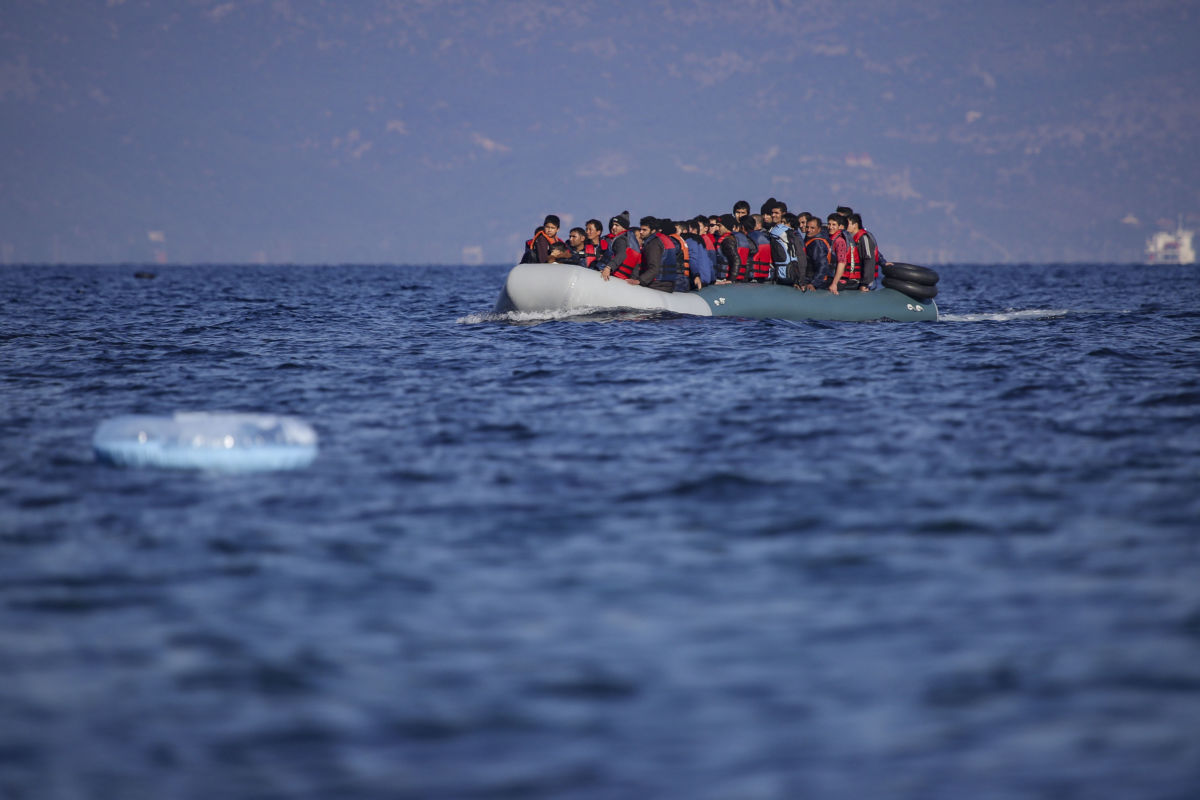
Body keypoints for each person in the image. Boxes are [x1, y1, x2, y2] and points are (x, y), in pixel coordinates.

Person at [627, 216, 677, 292]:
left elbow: (654, 268)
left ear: (653, 231)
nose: (641, 232)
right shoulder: (662, 239)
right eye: (641, 229)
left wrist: (639, 281)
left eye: (644, 230)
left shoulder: (653, 243)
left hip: (657, 284)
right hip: (668, 283)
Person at [845, 213, 885, 290]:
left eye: (848, 224)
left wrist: (865, 283)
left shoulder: (864, 238)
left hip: (865, 282)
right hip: (855, 279)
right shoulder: (851, 239)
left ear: (855, 225)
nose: (845, 226)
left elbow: (869, 260)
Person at [598, 212, 642, 281]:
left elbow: (622, 254)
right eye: (613, 225)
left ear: (623, 228)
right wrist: (633, 278)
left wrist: (608, 268)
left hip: (615, 275)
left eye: (616, 225)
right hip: (624, 278)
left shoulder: (620, 239)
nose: (613, 227)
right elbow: (636, 264)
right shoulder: (632, 242)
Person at [801, 216, 837, 293]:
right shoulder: (815, 239)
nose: (809, 230)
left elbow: (823, 265)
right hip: (818, 280)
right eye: (807, 227)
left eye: (812, 228)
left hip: (820, 283)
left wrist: (813, 284)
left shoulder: (817, 243)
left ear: (819, 229)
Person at [825, 213, 850, 290]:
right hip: (827, 276)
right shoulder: (828, 238)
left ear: (839, 226)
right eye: (829, 224)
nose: (830, 227)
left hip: (834, 279)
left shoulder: (840, 241)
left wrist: (834, 284)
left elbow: (841, 263)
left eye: (834, 225)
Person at [713, 214, 740, 284]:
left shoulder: (727, 241)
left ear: (726, 226)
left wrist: (731, 279)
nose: (717, 228)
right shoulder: (730, 238)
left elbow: (736, 259)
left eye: (719, 226)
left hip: (724, 280)